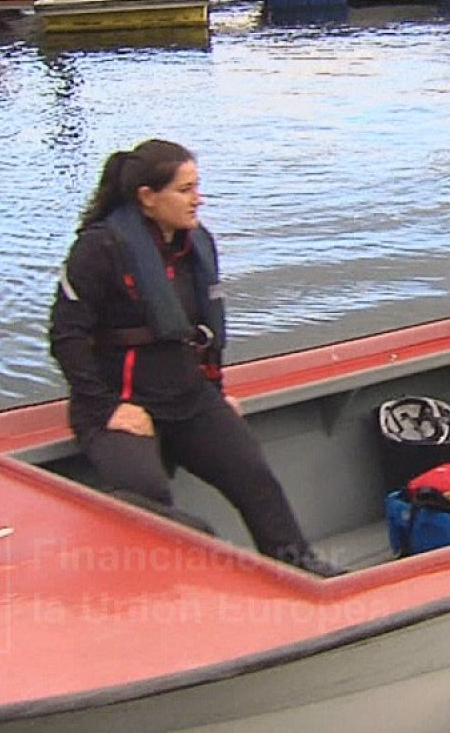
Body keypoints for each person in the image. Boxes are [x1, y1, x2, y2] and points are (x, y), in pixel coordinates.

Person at [49, 139, 340, 576]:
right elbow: (65, 336)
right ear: (148, 198)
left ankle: (302, 570)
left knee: (253, 476)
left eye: (196, 187)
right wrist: (109, 408)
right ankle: (199, 572)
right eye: (185, 190)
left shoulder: (196, 244)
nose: (197, 199)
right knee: (146, 496)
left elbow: (206, 329)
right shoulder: (99, 249)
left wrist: (216, 391)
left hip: (189, 396)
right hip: (121, 405)